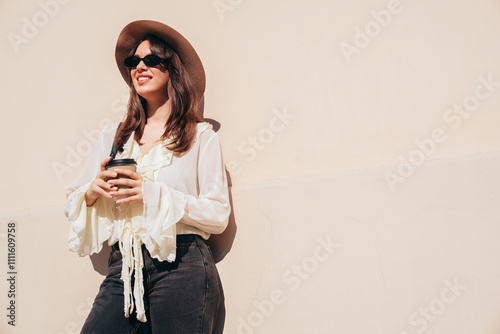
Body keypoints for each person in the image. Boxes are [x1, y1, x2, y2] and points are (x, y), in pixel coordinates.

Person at [64, 20, 231, 333]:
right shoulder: (114, 137)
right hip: (124, 266)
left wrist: (151, 194)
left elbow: (218, 213)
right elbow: (73, 199)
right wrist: (92, 192)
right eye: (133, 61)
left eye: (152, 60)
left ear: (173, 70)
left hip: (182, 264)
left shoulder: (200, 137)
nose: (140, 66)